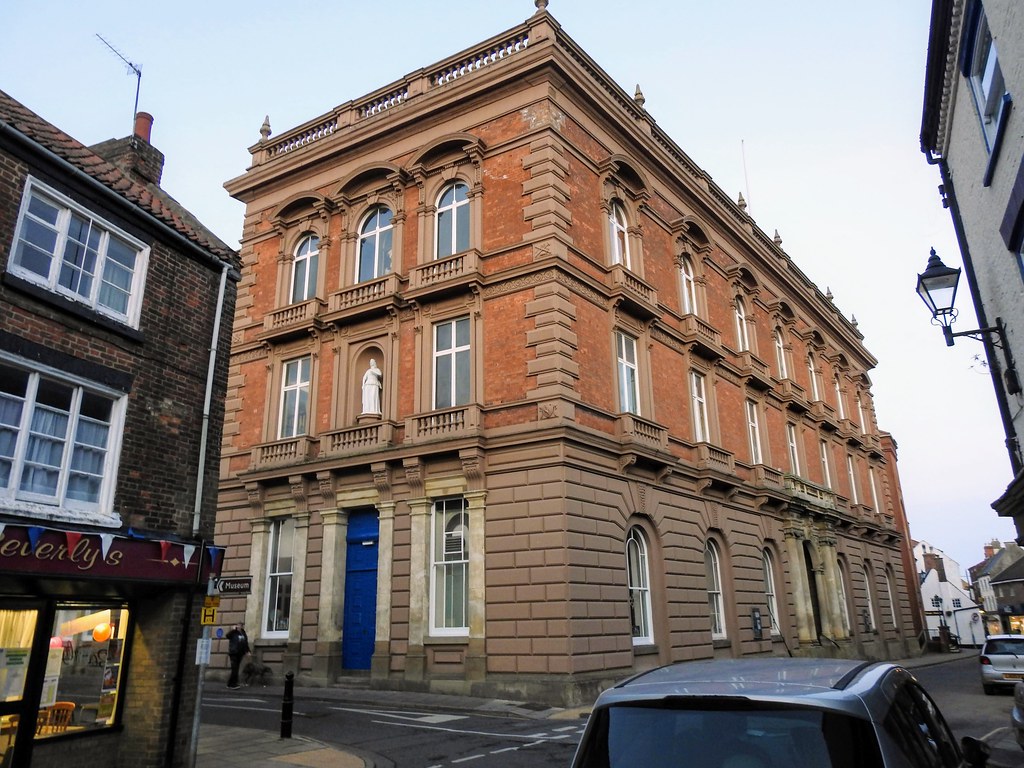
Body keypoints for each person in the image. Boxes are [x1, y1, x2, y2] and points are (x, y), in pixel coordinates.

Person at [226, 623, 249, 689]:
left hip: (240, 653)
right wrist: (233, 630)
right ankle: (233, 684)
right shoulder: (233, 633)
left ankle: (230, 683)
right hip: (233, 653)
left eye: (241, 626)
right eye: (238, 625)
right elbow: (227, 636)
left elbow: (245, 643)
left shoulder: (243, 633)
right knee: (234, 669)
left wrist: (247, 651)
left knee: (236, 668)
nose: (239, 627)